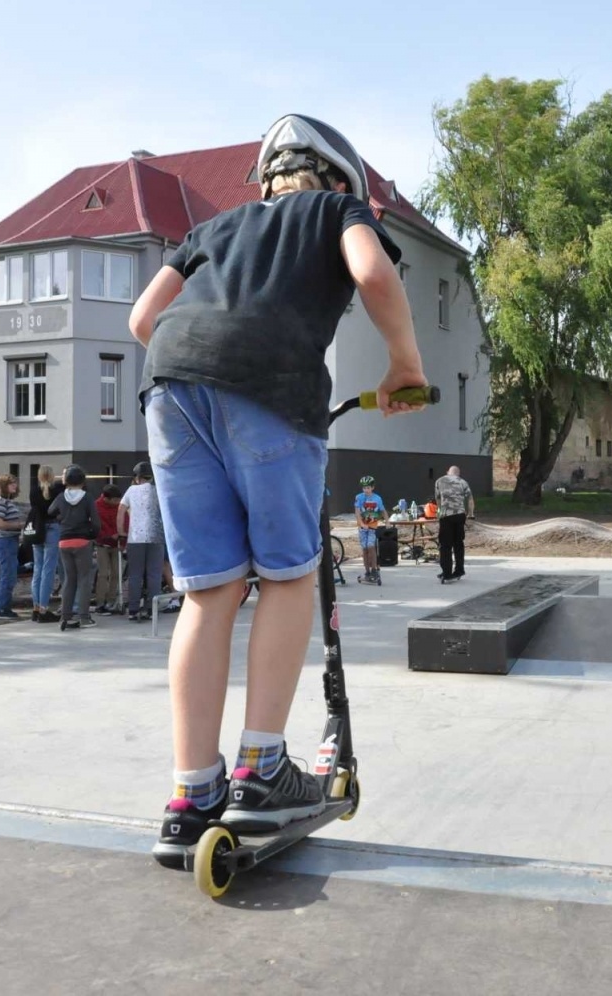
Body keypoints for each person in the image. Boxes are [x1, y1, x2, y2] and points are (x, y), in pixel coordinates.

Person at [129, 113, 427, 868]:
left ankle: (191, 792)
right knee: (290, 574)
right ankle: (260, 770)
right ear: (336, 179)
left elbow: (142, 319)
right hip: (270, 390)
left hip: (169, 387)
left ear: (265, 178)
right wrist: (405, 365)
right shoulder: (335, 211)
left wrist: (202, 352)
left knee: (209, 593)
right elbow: (373, 273)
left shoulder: (216, 226)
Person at [49, 465, 97, 630]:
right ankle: (84, 617)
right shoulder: (88, 497)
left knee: (69, 580)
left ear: (66, 481)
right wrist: (92, 534)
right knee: (84, 579)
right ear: (83, 481)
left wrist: (61, 518)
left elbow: (50, 511)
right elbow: (96, 522)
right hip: (82, 541)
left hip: (64, 541)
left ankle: (65, 616)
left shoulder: (61, 497)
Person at [118, 462, 165, 622]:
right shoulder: (159, 490)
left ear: (137, 477)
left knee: (135, 575)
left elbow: (121, 510)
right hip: (156, 536)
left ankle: (133, 610)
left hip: (135, 538)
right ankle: (152, 609)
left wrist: (121, 532)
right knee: (154, 574)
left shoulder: (131, 490)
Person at [28, 465, 63, 623]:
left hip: (37, 530)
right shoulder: (57, 490)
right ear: (52, 476)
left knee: (38, 569)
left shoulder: (33, 491)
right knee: (48, 570)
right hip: (52, 528)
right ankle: (44, 608)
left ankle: (36, 607)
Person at [0, 473, 25, 620]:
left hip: (10, 541)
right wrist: (19, 525)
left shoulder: (7, 502)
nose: (14, 486)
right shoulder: (1, 502)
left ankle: (1, 605)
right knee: (7, 575)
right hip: (4, 542)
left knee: (8, 574)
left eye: (15, 483)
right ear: (3, 486)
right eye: (11, 484)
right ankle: (3, 608)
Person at [434, 465, 475, 584]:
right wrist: (470, 513)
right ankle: (459, 570)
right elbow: (470, 499)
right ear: (458, 474)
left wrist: (439, 511)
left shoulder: (439, 481)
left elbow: (438, 499)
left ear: (447, 472)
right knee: (458, 544)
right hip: (459, 516)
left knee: (445, 545)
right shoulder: (463, 482)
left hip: (446, 515)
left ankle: (446, 572)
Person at [92, 483, 123, 614]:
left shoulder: (118, 507)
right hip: (102, 544)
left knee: (116, 573)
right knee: (103, 574)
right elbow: (95, 526)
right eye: (115, 500)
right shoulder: (96, 506)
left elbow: (123, 520)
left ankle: (111, 600)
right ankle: (100, 602)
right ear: (106, 498)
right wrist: (109, 535)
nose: (117, 502)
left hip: (116, 544)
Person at [353, 476, 387, 586]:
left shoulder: (377, 498)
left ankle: (374, 570)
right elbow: (357, 512)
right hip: (362, 527)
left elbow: (383, 510)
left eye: (368, 488)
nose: (366, 490)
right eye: (364, 488)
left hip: (372, 526)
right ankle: (367, 571)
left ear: (372, 487)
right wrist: (362, 523)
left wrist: (387, 521)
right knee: (365, 549)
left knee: (371, 546)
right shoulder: (359, 497)